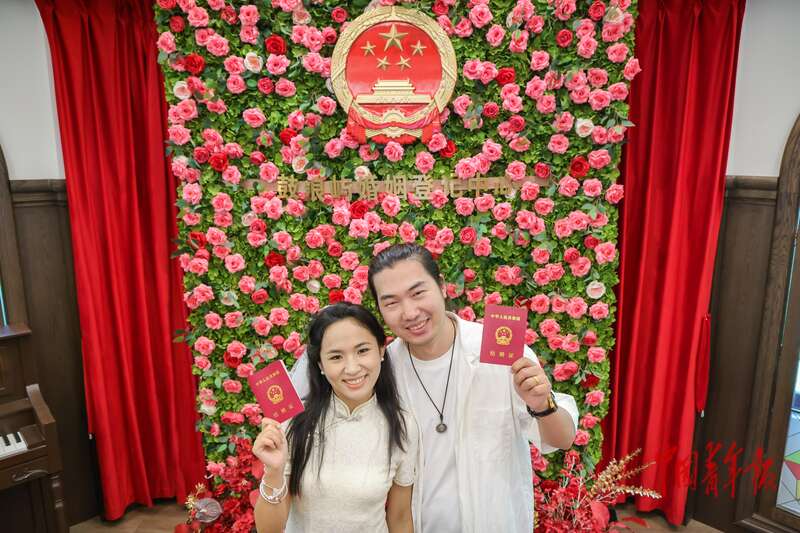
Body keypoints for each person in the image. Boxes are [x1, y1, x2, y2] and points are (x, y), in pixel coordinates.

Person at [292, 243, 579, 533]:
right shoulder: (381, 370)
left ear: (441, 286)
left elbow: (563, 439)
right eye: (391, 302)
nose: (409, 312)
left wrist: (542, 405)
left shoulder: (499, 352)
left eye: (418, 293)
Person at [253, 303, 418, 533]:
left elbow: (400, 518)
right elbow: (268, 530)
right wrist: (273, 471)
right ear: (320, 364)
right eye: (336, 356)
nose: (352, 368)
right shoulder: (294, 422)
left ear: (381, 350)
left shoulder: (402, 426)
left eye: (362, 351)